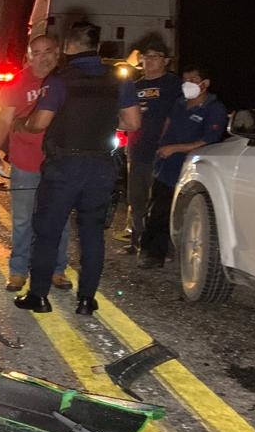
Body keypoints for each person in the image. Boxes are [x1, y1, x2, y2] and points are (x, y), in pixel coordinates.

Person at [14, 23, 141, 315]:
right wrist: (106, 122)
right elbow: (133, 123)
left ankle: (39, 297)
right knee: (93, 234)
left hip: (64, 167)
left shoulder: (60, 80)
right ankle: (86, 300)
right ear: (96, 46)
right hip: (101, 166)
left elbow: (40, 123)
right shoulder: (118, 79)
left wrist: (22, 124)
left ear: (69, 46)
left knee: (47, 232)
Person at [0, 34, 71, 292]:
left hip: (59, 163)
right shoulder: (17, 84)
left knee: (61, 220)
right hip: (26, 163)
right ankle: (18, 271)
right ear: (29, 56)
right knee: (23, 221)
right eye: (36, 52)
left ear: (57, 53)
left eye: (48, 51)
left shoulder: (66, 81)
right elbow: (3, 120)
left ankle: (58, 270)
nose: (42, 57)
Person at [138, 65, 227, 268]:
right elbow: (168, 125)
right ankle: (147, 248)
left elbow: (208, 140)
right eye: (185, 80)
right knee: (155, 207)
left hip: (189, 169)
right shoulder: (180, 103)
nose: (188, 84)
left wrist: (176, 148)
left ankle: (158, 254)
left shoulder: (214, 109)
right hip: (165, 165)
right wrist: (162, 146)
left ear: (205, 84)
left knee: (169, 211)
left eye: (193, 80)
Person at [121, 38, 182, 254]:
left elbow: (177, 115)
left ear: (165, 60)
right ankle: (136, 240)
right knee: (136, 198)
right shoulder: (135, 86)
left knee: (159, 201)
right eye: (146, 57)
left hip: (162, 152)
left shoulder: (173, 84)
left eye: (155, 56)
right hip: (137, 150)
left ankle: (161, 246)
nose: (149, 60)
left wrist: (167, 141)